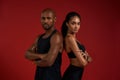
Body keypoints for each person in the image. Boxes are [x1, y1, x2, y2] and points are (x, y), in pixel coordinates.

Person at [25, 8, 63, 80]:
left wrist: (35, 61)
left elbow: (49, 62)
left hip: (52, 78)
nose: (45, 21)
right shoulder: (39, 38)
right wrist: (42, 56)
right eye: (43, 18)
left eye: (48, 18)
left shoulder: (56, 37)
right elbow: (27, 54)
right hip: (39, 76)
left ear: (54, 20)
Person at [61, 12, 92, 80]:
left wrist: (87, 58)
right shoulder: (70, 39)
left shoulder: (75, 39)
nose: (76, 26)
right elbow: (83, 63)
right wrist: (86, 58)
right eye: (73, 23)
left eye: (78, 23)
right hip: (72, 74)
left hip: (77, 73)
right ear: (67, 24)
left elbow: (90, 58)